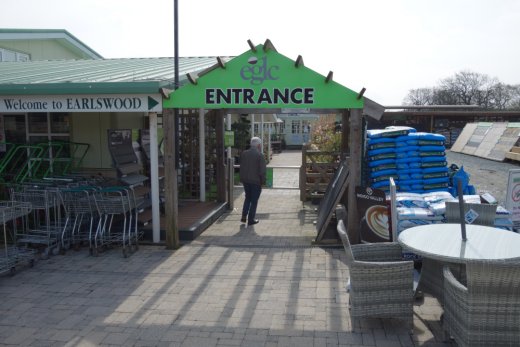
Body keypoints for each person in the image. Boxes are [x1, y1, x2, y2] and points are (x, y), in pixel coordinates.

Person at [239, 137, 266, 226]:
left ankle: (243, 216)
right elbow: (262, 171)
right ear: (258, 145)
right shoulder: (260, 155)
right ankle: (251, 219)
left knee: (248, 198)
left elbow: (241, 167)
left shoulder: (244, 153)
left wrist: (241, 178)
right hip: (255, 181)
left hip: (246, 180)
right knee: (254, 201)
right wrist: (263, 181)